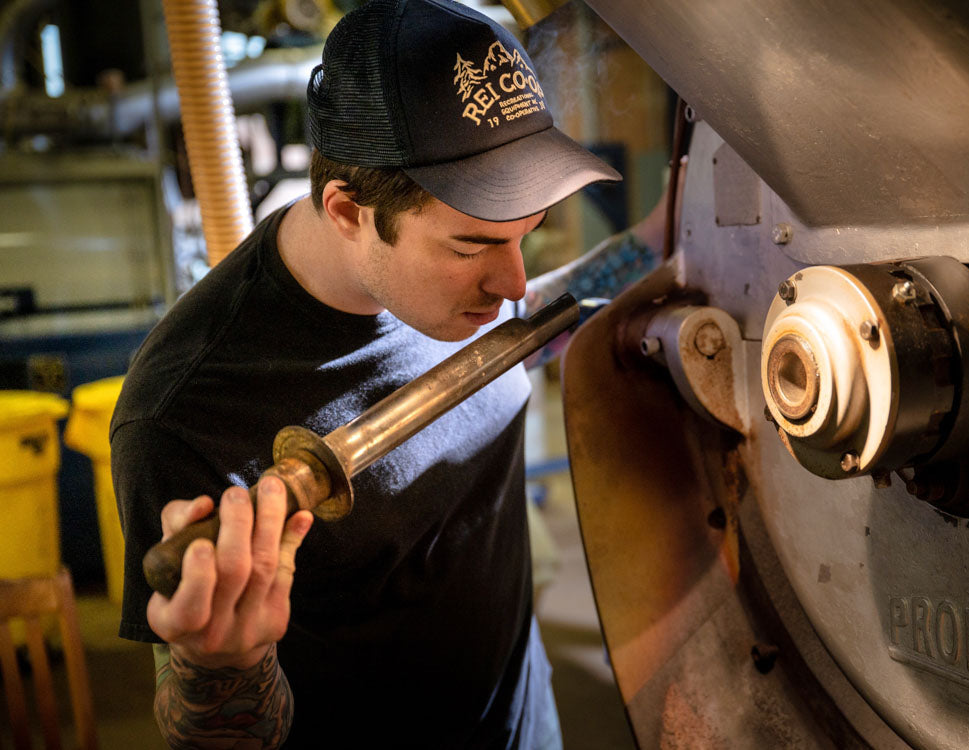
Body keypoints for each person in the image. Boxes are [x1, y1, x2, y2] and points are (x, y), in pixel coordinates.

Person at [111, 0, 663, 747]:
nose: (511, 282)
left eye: (524, 235)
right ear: (347, 209)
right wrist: (224, 666)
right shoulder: (186, 413)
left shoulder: (463, 292)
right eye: (471, 247)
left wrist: (661, 240)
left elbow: (529, 325)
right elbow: (216, 736)